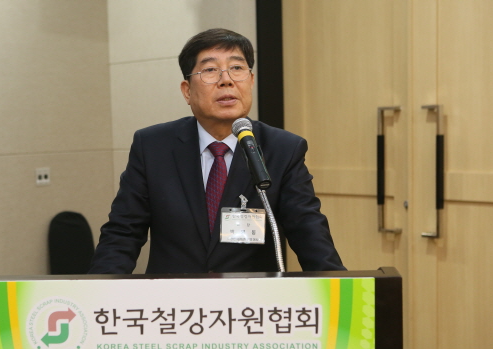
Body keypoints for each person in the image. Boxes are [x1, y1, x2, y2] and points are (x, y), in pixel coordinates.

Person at [88, 28, 344, 274]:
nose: (226, 80)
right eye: (210, 70)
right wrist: (97, 291)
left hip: (249, 299)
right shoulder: (153, 146)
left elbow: (310, 233)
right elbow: (123, 234)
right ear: (187, 91)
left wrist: (343, 294)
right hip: (173, 298)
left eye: (237, 68)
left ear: (251, 81)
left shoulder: (282, 149)